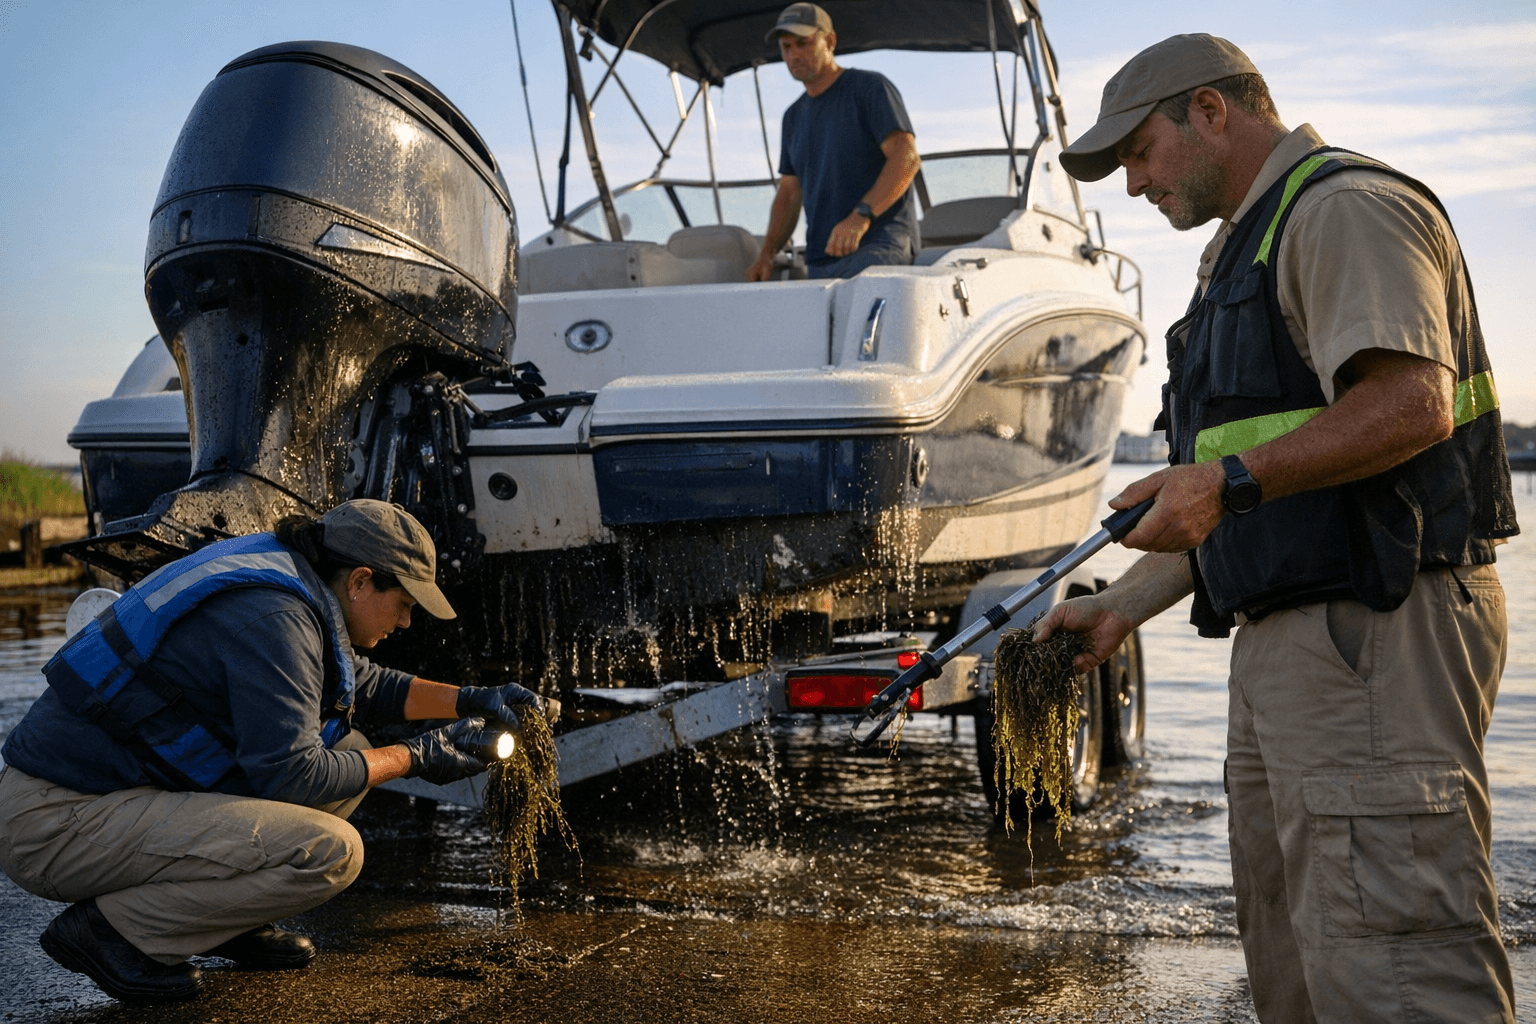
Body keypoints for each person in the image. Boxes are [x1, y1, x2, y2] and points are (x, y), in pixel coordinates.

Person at [1037, 33, 1520, 1023]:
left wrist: (1224, 480)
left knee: (1395, 967)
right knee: (1299, 957)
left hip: (1376, 631)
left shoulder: (1342, 208)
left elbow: (1413, 404)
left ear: (1211, 112)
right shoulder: (1243, 252)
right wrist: (1122, 606)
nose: (1132, 184)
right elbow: (1254, 497)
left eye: (1139, 152)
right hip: (1295, 646)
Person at [0, 499, 550, 1004]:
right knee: (332, 853)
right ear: (361, 581)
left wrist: (470, 699)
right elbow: (293, 776)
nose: (406, 622)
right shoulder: (276, 618)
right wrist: (418, 756)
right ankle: (112, 933)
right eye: (403, 604)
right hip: (54, 822)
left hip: (101, 797)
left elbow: (363, 683)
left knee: (352, 748)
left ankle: (222, 920)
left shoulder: (293, 579)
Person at [746, 2, 921, 281]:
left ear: (829, 41)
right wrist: (766, 254)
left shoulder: (870, 88)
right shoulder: (792, 117)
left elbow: (906, 158)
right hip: (820, 259)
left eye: (803, 43)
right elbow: (789, 193)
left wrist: (860, 217)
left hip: (879, 248)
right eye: (786, 47)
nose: (793, 55)